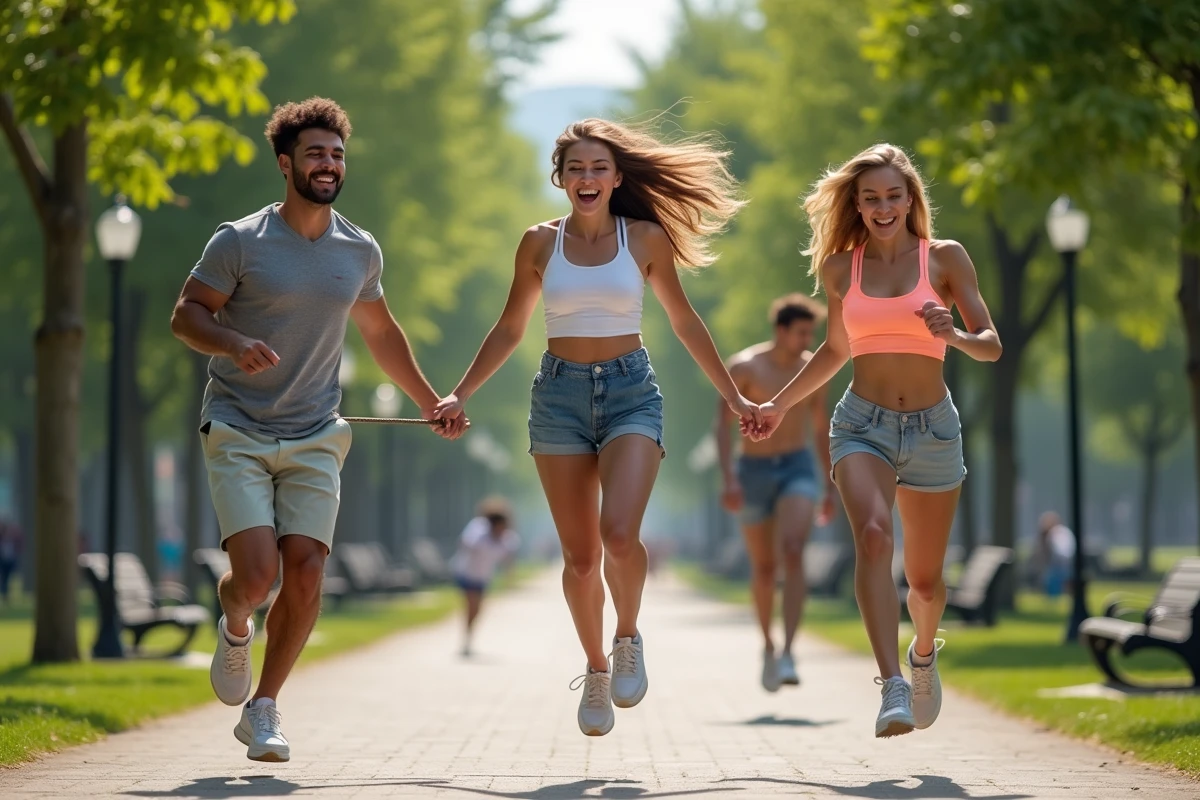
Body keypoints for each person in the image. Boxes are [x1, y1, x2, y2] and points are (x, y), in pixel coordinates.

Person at [434, 118, 759, 736]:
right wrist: (459, 392)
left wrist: (735, 396)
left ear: (615, 178)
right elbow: (510, 327)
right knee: (581, 560)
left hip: (632, 393)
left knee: (619, 535)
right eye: (576, 168)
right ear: (560, 178)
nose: (587, 178)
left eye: (599, 168)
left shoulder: (644, 238)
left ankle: (627, 636)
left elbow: (685, 322)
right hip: (558, 398)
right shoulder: (538, 243)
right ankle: (596, 669)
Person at [170, 97, 454, 762]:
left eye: (337, 154)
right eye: (315, 153)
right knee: (256, 578)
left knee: (305, 574)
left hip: (317, 432)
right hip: (239, 425)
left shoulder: (359, 249)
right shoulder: (240, 240)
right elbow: (187, 315)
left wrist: (431, 401)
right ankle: (235, 621)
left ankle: (264, 708)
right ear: (285, 163)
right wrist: (233, 341)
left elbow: (381, 333)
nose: (328, 164)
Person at [745, 144, 1001, 738]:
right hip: (862, 425)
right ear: (857, 205)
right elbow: (835, 350)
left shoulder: (945, 258)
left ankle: (923, 654)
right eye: (871, 198)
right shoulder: (842, 269)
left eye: (892, 196)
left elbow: (990, 343)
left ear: (910, 199)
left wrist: (955, 335)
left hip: (934, 428)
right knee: (874, 535)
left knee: (926, 585)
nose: (883, 207)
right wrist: (778, 405)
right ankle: (891, 685)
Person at [715, 294, 835, 692]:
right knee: (765, 568)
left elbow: (820, 427)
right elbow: (721, 427)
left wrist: (830, 483)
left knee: (794, 550)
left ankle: (789, 650)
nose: (807, 341)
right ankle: (767, 644)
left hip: (797, 465)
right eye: (801, 332)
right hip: (752, 471)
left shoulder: (812, 370)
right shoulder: (744, 367)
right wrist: (729, 479)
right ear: (781, 330)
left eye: (811, 333)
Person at [451, 497, 520, 657]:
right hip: (466, 574)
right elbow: (464, 543)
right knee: (472, 606)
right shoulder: (478, 529)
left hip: (482, 577)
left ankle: (468, 637)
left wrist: (509, 576)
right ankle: (466, 641)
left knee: (477, 610)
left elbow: (508, 558)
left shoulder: (506, 538)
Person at [1038, 511, 1076, 597]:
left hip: (1059, 562)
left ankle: (1055, 596)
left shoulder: (1052, 533)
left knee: (1053, 582)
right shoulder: (1064, 530)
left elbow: (1053, 552)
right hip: (1069, 561)